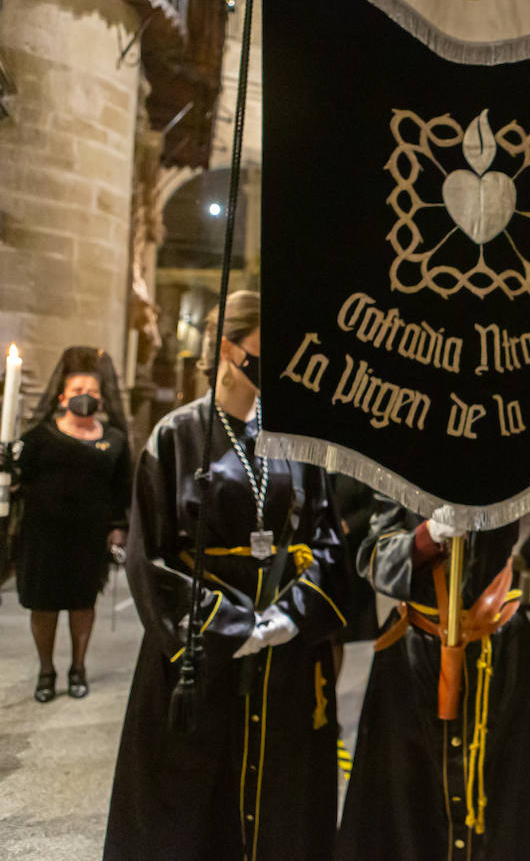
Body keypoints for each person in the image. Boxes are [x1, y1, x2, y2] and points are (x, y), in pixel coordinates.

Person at [104, 291, 350, 861]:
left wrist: (289, 616)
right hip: (200, 654)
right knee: (193, 801)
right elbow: (151, 560)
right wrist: (230, 625)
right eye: (265, 353)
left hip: (282, 656)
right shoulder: (174, 437)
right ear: (226, 350)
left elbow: (326, 537)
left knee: (281, 802)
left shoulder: (296, 439)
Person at [337, 498, 530, 861]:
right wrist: (426, 537)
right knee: (409, 798)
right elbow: (373, 561)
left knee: (508, 794)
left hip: (498, 651)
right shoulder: (402, 456)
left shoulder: (512, 462)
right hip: (415, 656)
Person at [14, 347, 131, 702]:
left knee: (83, 603)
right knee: (44, 604)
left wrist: (118, 526)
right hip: (43, 536)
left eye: (92, 391)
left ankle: (77, 668)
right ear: (62, 397)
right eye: (77, 391)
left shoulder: (114, 440)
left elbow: (121, 488)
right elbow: (18, 480)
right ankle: (46, 671)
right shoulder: (39, 438)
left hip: (88, 536)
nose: (85, 397)